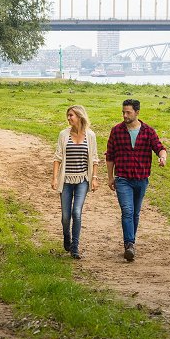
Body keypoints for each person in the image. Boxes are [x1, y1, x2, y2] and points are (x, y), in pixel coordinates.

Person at [106, 99, 167, 262]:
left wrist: (162, 157)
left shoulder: (148, 131)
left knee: (135, 213)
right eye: (123, 112)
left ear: (137, 112)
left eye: (128, 112)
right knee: (127, 210)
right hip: (122, 179)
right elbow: (110, 155)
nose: (125, 115)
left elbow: (159, 147)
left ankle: (131, 241)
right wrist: (110, 177)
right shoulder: (116, 131)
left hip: (141, 179)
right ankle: (129, 245)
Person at [51, 105, 100, 259]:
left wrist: (94, 178)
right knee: (66, 216)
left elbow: (94, 158)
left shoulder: (90, 136)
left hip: (82, 180)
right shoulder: (63, 135)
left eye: (71, 115)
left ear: (79, 116)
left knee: (76, 212)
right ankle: (67, 236)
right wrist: (54, 178)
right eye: (68, 115)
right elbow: (57, 158)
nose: (68, 118)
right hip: (65, 180)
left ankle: (75, 247)